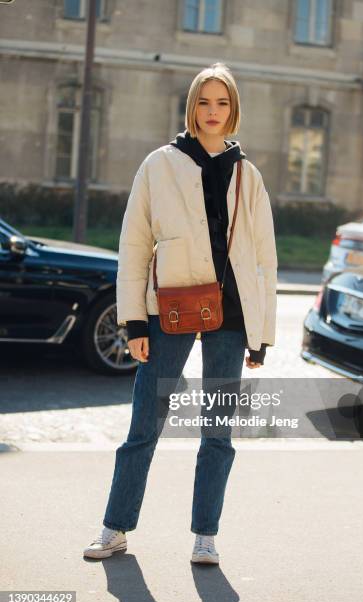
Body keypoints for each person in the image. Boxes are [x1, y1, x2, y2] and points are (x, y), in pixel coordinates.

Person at [83, 62, 278, 564]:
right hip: (168, 308)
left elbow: (263, 258)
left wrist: (262, 333)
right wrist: (133, 321)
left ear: (234, 110)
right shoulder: (158, 164)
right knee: (145, 420)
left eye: (222, 103)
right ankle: (115, 527)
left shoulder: (247, 175)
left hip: (232, 314)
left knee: (218, 429)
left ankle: (205, 535)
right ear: (191, 106)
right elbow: (134, 244)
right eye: (204, 102)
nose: (212, 112)